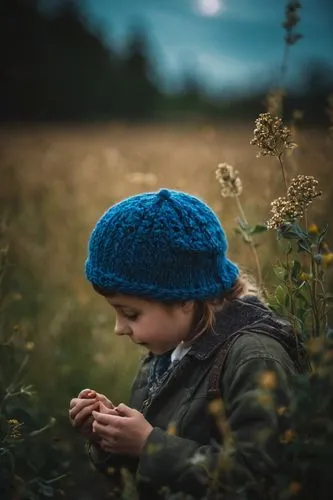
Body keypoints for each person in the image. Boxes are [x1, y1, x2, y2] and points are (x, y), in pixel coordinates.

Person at [69, 188, 308, 500]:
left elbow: (261, 479)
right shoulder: (167, 349)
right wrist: (110, 436)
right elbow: (142, 475)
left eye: (130, 313)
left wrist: (150, 444)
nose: (119, 328)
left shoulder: (255, 359)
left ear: (183, 298)